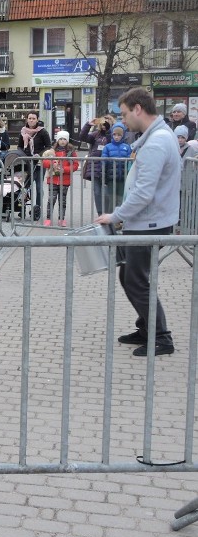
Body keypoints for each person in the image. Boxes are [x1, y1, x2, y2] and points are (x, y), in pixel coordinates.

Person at [96, 87, 181, 358]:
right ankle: (146, 328)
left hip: (149, 223)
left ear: (137, 109)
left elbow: (145, 192)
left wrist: (117, 215)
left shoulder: (157, 142)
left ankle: (161, 338)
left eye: (124, 114)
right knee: (131, 276)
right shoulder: (156, 136)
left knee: (136, 280)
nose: (123, 120)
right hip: (146, 221)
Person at [17, 111, 51, 220]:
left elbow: (48, 146)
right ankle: (22, 208)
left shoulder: (42, 132)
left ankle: (37, 209)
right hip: (27, 163)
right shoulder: (23, 131)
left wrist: (39, 155)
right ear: (27, 119)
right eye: (29, 118)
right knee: (25, 187)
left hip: (39, 163)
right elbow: (19, 147)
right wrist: (23, 156)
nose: (31, 120)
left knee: (39, 187)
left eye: (33, 118)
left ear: (37, 120)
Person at [40, 131, 79, 227]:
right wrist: (52, 164)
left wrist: (64, 169)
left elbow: (75, 165)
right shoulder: (52, 151)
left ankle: (61, 219)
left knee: (62, 201)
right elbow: (44, 162)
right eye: (60, 139)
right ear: (57, 140)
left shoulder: (71, 152)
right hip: (53, 180)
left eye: (64, 139)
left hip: (65, 180)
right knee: (51, 200)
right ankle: (48, 219)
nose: (62, 141)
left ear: (67, 140)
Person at [80, 115, 114, 214]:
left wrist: (109, 129)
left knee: (107, 193)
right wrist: (88, 125)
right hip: (95, 167)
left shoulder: (112, 134)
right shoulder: (96, 134)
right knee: (97, 192)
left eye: (107, 123)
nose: (104, 125)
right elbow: (83, 137)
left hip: (108, 168)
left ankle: (107, 214)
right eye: (103, 122)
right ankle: (100, 213)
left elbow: (111, 139)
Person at [100, 124, 132, 206]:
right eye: (114, 135)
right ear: (112, 135)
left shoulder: (127, 147)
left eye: (119, 135)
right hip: (111, 177)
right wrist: (103, 177)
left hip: (123, 177)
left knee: (121, 200)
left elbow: (130, 162)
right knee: (112, 200)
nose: (116, 137)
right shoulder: (107, 147)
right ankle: (111, 218)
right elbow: (103, 162)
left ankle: (120, 218)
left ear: (123, 135)